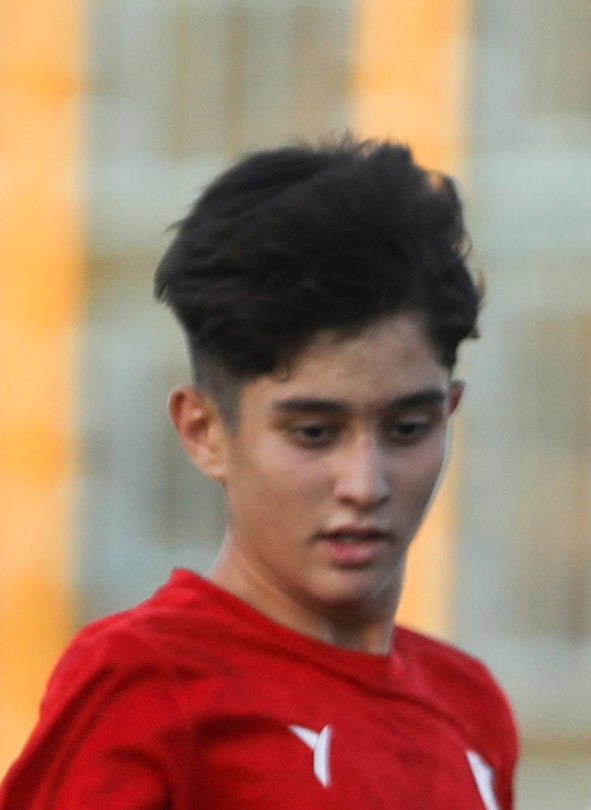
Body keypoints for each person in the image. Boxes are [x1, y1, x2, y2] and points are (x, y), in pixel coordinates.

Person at [0, 136, 518, 808]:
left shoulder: (469, 708)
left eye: (407, 429)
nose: (365, 484)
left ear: (449, 413)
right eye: (314, 433)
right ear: (204, 432)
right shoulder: (146, 685)